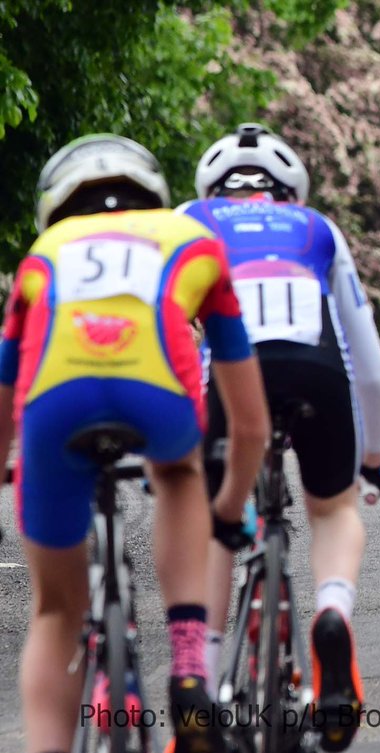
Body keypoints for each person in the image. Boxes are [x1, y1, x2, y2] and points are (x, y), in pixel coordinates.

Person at [0, 134, 269, 753]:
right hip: (158, 389)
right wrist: (226, 511)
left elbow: (6, 388)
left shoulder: (43, 255)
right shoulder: (192, 241)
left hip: (55, 401)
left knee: (55, 614)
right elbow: (249, 424)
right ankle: (187, 664)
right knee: (177, 472)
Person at [185, 123, 380, 751]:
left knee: (216, 517)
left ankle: (208, 682)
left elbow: (163, 334)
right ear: (290, 190)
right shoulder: (316, 229)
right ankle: (332, 611)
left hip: (230, 374)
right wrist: (374, 458)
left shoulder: (191, 221)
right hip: (318, 370)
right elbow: (374, 369)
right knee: (332, 509)